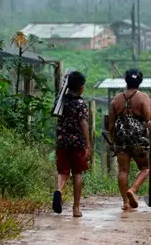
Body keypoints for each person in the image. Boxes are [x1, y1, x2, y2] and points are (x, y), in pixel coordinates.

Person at [108, 69, 151, 211]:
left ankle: (125, 202)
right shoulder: (143, 98)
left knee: (123, 170)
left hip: (121, 138)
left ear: (126, 80)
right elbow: (149, 122)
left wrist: (112, 140)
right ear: (140, 81)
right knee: (146, 168)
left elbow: (111, 123)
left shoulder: (116, 99)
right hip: (139, 138)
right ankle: (133, 190)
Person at [52, 71, 90, 218]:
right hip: (77, 142)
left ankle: (59, 191)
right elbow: (84, 124)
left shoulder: (61, 101)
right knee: (78, 173)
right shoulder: (80, 104)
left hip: (62, 141)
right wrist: (88, 145)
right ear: (81, 87)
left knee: (63, 172)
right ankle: (76, 208)